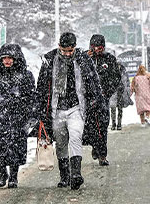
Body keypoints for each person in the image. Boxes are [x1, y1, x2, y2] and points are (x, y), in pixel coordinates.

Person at [36, 32, 105, 190]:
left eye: (70, 50)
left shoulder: (83, 60)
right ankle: (64, 175)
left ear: (74, 48)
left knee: (75, 137)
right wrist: (40, 108)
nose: (67, 53)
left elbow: (93, 81)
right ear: (59, 47)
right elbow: (41, 86)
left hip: (76, 107)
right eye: (64, 50)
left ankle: (76, 174)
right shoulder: (49, 60)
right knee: (60, 143)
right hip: (56, 108)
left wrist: (96, 99)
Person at [0, 44, 37, 188]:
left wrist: (32, 115)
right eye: (4, 58)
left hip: (18, 116)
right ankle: (2, 173)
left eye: (10, 58)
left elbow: (31, 97)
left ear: (16, 59)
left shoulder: (26, 75)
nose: (7, 61)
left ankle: (14, 176)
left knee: (16, 146)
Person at [86, 34, 120, 166]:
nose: (98, 50)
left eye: (100, 48)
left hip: (102, 99)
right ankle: (95, 146)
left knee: (103, 126)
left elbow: (116, 78)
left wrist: (107, 92)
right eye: (95, 48)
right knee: (90, 126)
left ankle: (102, 155)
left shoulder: (109, 59)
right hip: (87, 99)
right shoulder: (84, 58)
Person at [109, 62, 132, 130]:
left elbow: (127, 83)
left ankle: (119, 124)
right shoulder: (111, 72)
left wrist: (127, 91)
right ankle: (113, 124)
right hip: (114, 93)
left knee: (120, 110)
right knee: (113, 110)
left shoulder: (123, 72)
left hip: (121, 93)